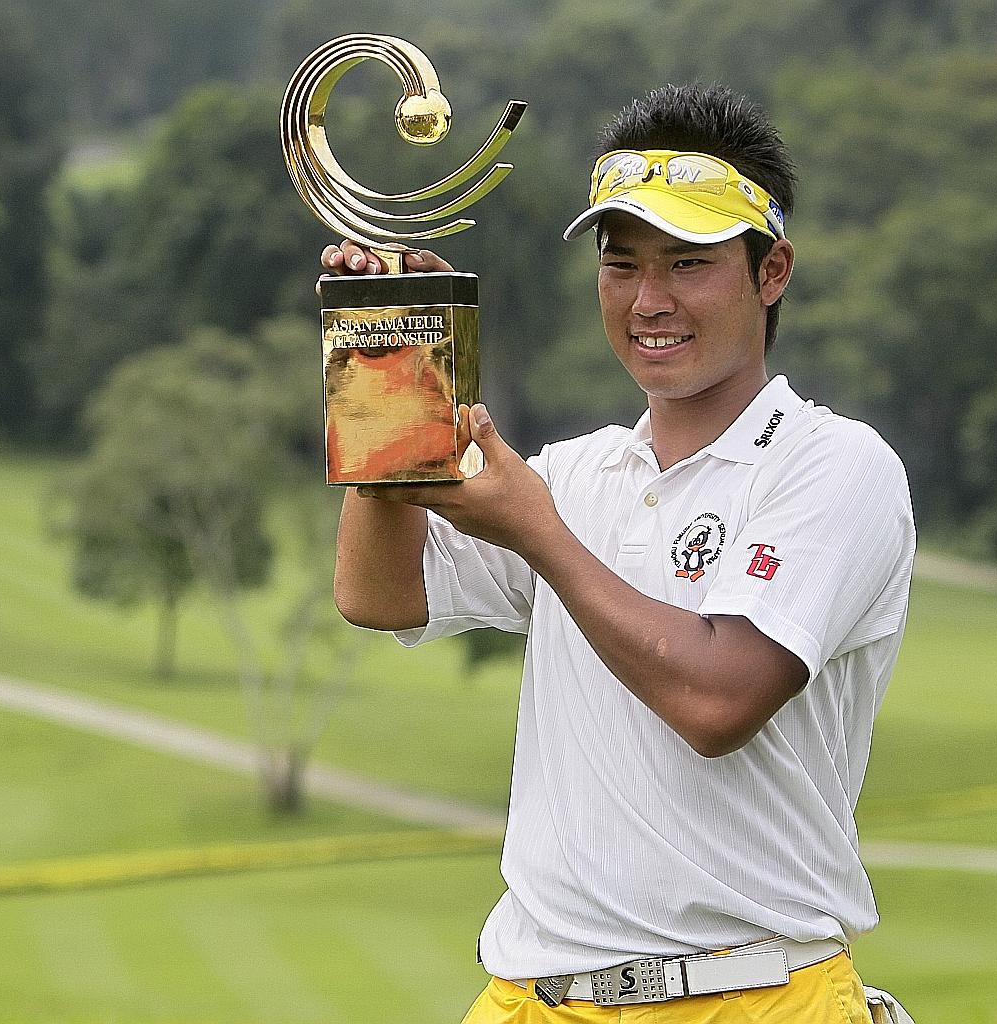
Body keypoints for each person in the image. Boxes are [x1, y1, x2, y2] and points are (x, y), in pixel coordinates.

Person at [323, 84, 916, 1023]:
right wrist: (396, 378)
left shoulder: (836, 466)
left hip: (754, 993)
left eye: (688, 264)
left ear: (773, 274)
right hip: (531, 994)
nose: (649, 301)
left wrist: (539, 532)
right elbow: (379, 592)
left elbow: (719, 699)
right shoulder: (578, 470)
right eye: (621, 264)